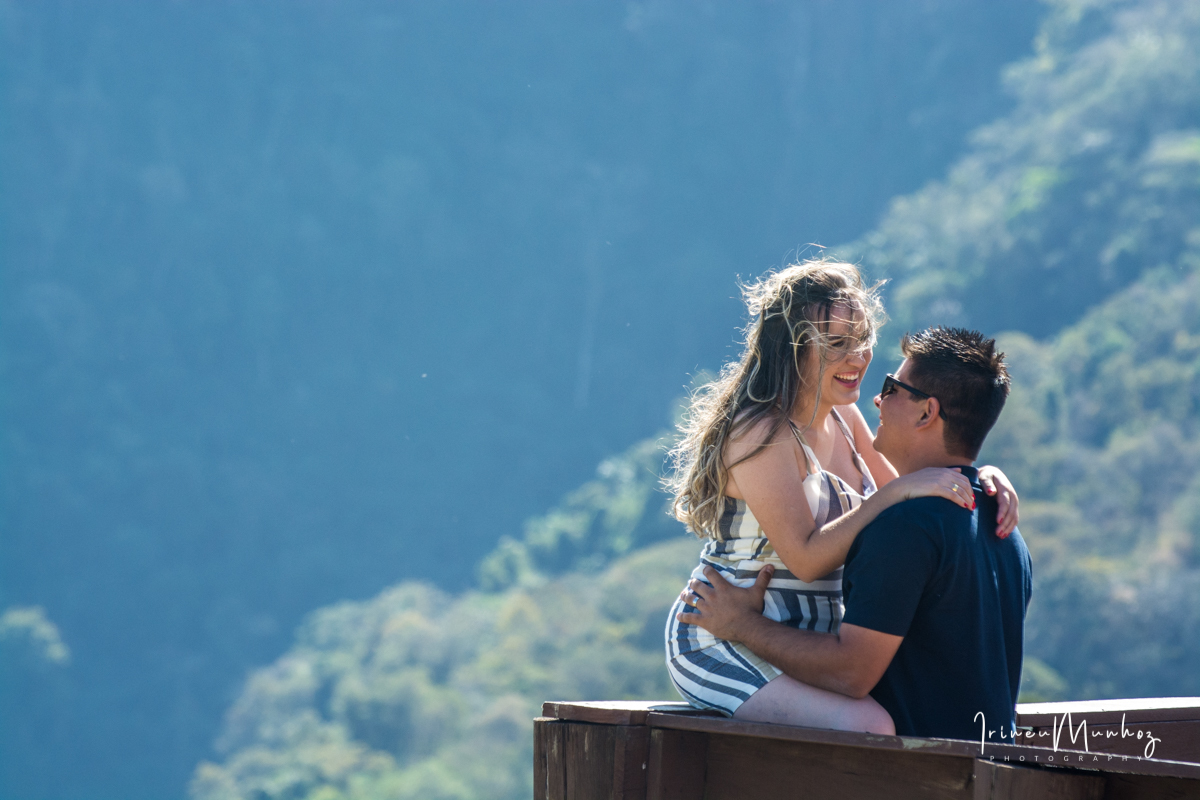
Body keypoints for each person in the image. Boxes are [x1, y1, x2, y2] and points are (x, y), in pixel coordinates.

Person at [663, 260, 1020, 735]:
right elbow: (808, 558)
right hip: (725, 628)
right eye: (836, 344)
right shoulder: (760, 433)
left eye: (862, 340)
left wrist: (980, 476)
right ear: (791, 349)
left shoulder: (845, 419)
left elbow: (926, 485)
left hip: (807, 639)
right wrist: (892, 493)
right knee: (870, 725)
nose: (857, 359)